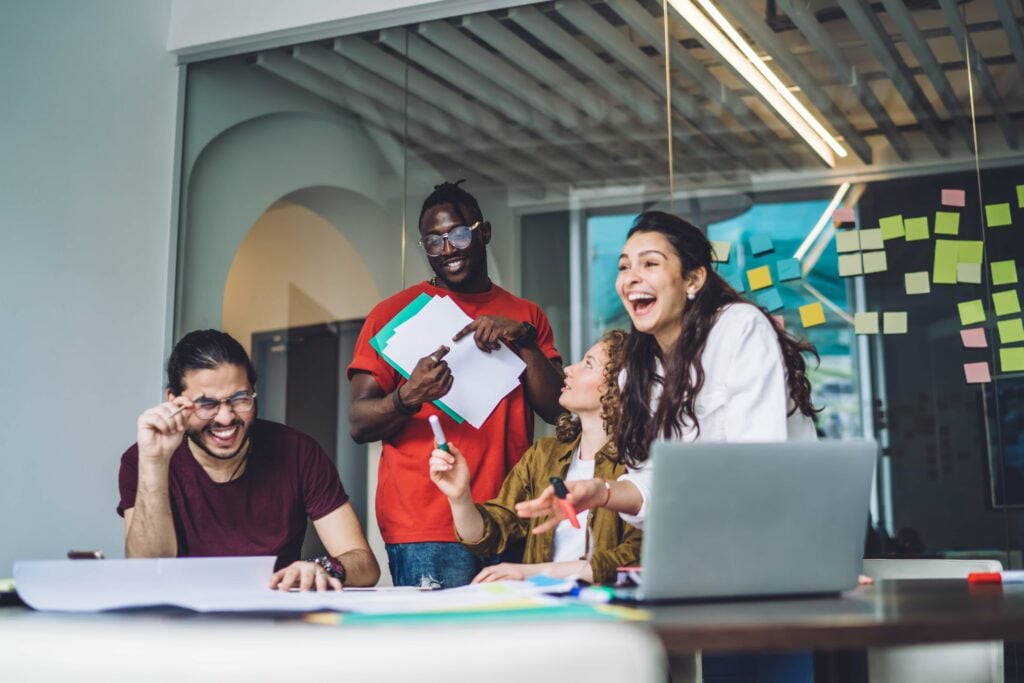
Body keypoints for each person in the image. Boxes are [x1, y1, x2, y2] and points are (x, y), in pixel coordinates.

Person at [516, 210, 819, 529]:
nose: (630, 277)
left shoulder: (739, 328)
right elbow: (649, 485)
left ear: (693, 279)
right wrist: (599, 491)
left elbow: (758, 465)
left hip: (780, 530)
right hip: (706, 543)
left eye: (650, 263)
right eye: (624, 266)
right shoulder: (635, 372)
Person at [348, 180, 564, 588]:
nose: (447, 249)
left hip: (510, 515)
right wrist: (409, 396)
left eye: (459, 234)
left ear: (483, 233)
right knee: (441, 651)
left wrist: (523, 341)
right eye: (434, 241)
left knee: (511, 649)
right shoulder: (392, 315)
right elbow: (359, 423)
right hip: (427, 525)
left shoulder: (524, 315)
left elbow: (558, 410)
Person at [117, 329, 380, 591]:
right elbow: (146, 570)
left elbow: (365, 565)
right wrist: (154, 462)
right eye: (206, 404)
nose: (225, 418)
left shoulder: (298, 452)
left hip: (274, 620)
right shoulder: (142, 459)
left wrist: (322, 568)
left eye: (240, 399)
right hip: (182, 619)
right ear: (174, 402)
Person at [428, 330, 640, 585]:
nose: (570, 369)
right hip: (544, 606)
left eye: (588, 364)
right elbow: (489, 537)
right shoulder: (543, 455)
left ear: (620, 387)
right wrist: (459, 497)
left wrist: (535, 572)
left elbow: (636, 558)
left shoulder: (639, 465)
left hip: (605, 612)